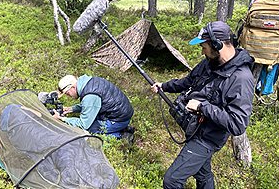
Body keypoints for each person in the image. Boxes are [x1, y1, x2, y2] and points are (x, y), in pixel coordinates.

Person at [151, 21, 255, 189]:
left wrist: (201, 107)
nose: (202, 51)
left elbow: (238, 124)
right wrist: (163, 86)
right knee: (204, 173)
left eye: (204, 47)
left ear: (217, 45)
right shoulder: (209, 62)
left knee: (172, 181)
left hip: (207, 139)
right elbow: (188, 81)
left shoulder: (241, 79)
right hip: (195, 128)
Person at [52, 74, 135, 141]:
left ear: (73, 87)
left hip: (119, 119)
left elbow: (83, 125)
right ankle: (119, 128)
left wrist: (62, 119)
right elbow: (91, 105)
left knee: (90, 130)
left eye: (67, 93)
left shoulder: (90, 96)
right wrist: (72, 109)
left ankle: (122, 135)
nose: (68, 96)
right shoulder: (89, 82)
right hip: (119, 112)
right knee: (92, 121)